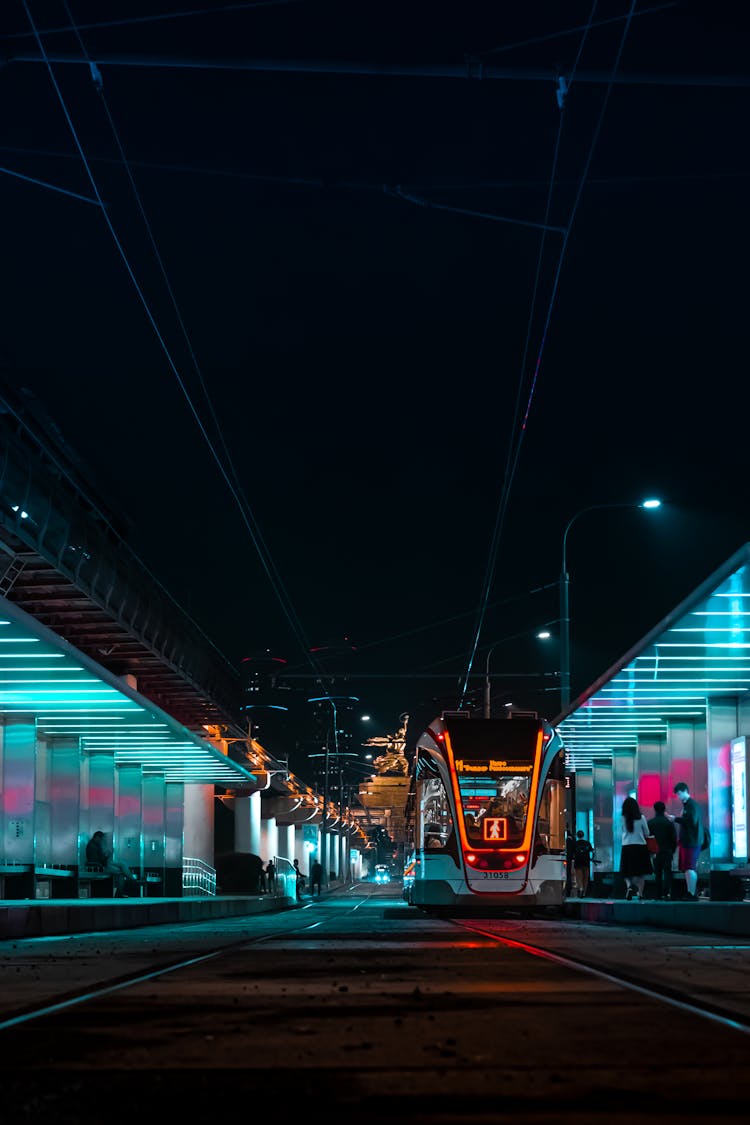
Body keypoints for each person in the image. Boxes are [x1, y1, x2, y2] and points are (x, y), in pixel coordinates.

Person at [668, 782, 703, 900]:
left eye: (679, 793)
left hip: (691, 841)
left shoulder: (691, 805)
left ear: (685, 791)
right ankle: (690, 892)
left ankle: (692, 893)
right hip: (688, 841)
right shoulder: (689, 805)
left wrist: (675, 819)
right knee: (687, 868)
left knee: (689, 867)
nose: (678, 796)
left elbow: (691, 821)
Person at [85, 830, 141, 898]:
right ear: (96, 837)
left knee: (122, 864)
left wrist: (106, 855)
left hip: (103, 863)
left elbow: (100, 858)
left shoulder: (95, 845)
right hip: (101, 866)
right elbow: (96, 860)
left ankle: (133, 881)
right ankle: (130, 885)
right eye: (100, 839)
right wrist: (107, 855)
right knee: (121, 873)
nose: (101, 841)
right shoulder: (92, 846)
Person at [619, 796, 652, 901]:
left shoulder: (622, 818)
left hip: (627, 847)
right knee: (641, 872)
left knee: (626, 871)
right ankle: (640, 893)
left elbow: (620, 832)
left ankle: (629, 887)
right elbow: (647, 833)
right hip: (640, 847)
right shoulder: (641, 818)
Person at [648, 800, 678, 900]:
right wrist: (672, 850)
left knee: (658, 873)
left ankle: (658, 894)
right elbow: (674, 839)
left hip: (656, 852)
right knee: (667, 872)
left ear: (655, 810)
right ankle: (666, 893)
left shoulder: (651, 823)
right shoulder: (668, 823)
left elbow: (649, 838)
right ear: (664, 810)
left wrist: (651, 851)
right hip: (667, 851)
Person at [572, 830, 595, 898]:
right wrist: (592, 858)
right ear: (583, 835)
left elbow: (572, 853)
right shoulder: (587, 843)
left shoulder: (575, 844)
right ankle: (584, 892)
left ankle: (581, 889)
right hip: (586, 862)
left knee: (579, 877)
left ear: (577, 835)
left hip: (578, 862)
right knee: (585, 878)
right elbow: (593, 851)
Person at [565, 830, 575, 897]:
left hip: (567, 858)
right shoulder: (573, 840)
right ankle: (569, 888)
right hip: (571, 858)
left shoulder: (567, 840)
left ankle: (568, 888)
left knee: (567, 873)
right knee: (569, 874)